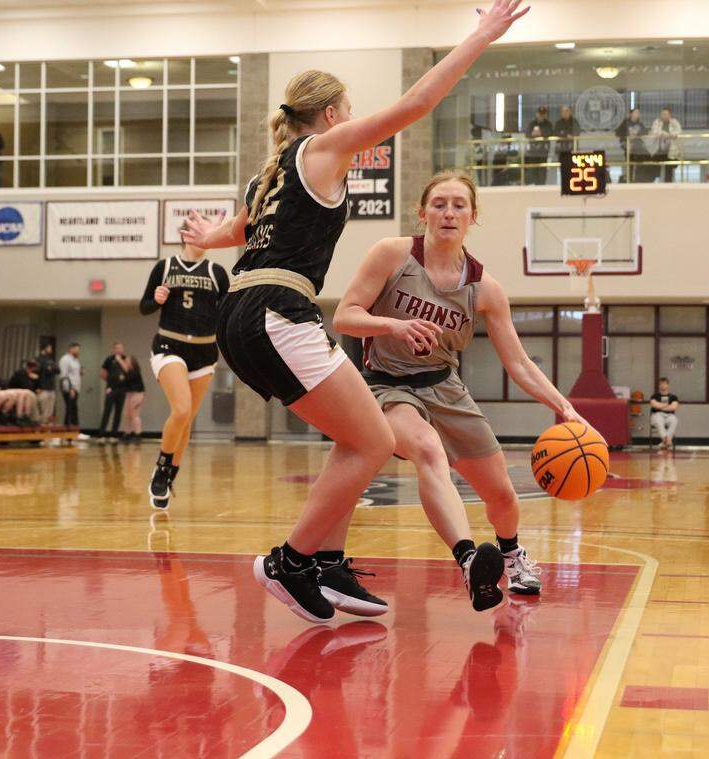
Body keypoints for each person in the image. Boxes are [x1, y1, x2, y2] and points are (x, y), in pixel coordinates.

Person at [181, 0, 530, 623]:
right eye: (347, 110)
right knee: (372, 441)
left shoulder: (269, 173)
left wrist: (208, 237)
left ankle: (327, 563)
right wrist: (481, 34)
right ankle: (291, 560)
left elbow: (240, 229)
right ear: (333, 113)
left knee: (355, 438)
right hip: (275, 310)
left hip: (242, 310)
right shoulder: (321, 146)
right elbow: (415, 106)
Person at [334, 171, 584, 612]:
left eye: (458, 205)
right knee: (428, 450)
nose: (448, 213)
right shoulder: (392, 254)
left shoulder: (484, 288)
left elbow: (520, 363)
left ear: (472, 216)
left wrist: (563, 406)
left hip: (444, 386)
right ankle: (470, 561)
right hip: (386, 384)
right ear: (423, 211)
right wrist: (392, 323)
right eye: (439, 204)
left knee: (502, 494)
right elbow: (345, 316)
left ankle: (510, 554)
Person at [139, 240, 229, 507]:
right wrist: (156, 300)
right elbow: (144, 306)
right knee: (181, 409)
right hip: (170, 344)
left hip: (204, 351)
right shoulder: (165, 267)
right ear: (185, 236)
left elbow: (227, 312)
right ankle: (161, 467)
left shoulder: (216, 272)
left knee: (186, 420)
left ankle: (169, 476)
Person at [98, 342, 130, 441]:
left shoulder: (125, 359)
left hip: (122, 389)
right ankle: (102, 434)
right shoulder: (109, 359)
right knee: (107, 411)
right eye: (117, 348)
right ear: (113, 349)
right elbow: (102, 373)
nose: (119, 350)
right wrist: (109, 383)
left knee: (118, 412)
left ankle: (114, 434)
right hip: (111, 389)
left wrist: (120, 360)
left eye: (120, 348)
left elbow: (127, 370)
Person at [614, 107, 650, 183]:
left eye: (638, 113)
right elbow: (617, 133)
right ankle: (629, 179)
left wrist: (637, 135)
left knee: (645, 158)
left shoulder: (640, 124)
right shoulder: (625, 122)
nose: (637, 114)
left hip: (638, 146)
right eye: (635, 112)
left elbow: (646, 132)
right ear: (631, 114)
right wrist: (627, 137)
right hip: (628, 145)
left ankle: (639, 178)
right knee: (630, 163)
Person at [649, 107, 681, 182]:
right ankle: (653, 182)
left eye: (665, 114)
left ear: (670, 115)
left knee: (669, 168)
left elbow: (678, 133)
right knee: (652, 166)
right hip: (658, 150)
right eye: (662, 114)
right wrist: (664, 134)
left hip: (671, 151)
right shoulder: (657, 122)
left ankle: (668, 184)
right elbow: (654, 132)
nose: (663, 116)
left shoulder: (675, 122)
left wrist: (668, 135)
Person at [648, 377, 679, 450]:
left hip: (669, 415)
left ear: (668, 385)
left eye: (664, 384)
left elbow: (674, 407)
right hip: (656, 415)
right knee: (658, 419)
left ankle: (665, 441)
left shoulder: (673, 397)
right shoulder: (654, 396)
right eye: (661, 384)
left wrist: (660, 406)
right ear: (659, 385)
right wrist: (668, 405)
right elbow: (654, 405)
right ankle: (667, 440)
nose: (662, 385)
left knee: (674, 420)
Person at [120, 355, 145, 444]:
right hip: (129, 394)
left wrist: (119, 361)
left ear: (131, 363)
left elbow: (128, 376)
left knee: (134, 415)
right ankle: (127, 433)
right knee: (127, 415)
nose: (125, 362)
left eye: (127, 361)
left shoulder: (135, 371)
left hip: (137, 394)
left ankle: (138, 435)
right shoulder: (128, 372)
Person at [59, 342, 83, 430]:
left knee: (73, 408)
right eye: (77, 349)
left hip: (76, 388)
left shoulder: (76, 360)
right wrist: (70, 389)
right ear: (71, 349)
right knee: (70, 409)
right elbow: (64, 376)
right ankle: (69, 429)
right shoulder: (65, 359)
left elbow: (74, 373)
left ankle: (73, 429)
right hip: (69, 388)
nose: (78, 351)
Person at [35, 341, 59, 424]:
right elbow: (36, 374)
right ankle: (42, 432)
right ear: (45, 348)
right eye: (49, 347)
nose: (51, 349)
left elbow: (57, 370)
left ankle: (48, 432)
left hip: (51, 388)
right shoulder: (38, 360)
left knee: (50, 412)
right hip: (42, 388)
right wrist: (37, 387)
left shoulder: (50, 360)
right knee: (43, 412)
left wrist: (51, 368)